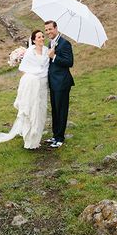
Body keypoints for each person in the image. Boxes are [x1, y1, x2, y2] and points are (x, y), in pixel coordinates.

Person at [0, 30, 49, 149]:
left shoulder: (46, 51)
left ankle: (37, 138)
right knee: (30, 111)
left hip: (43, 85)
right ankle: (29, 141)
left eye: (42, 36)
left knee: (40, 111)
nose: (41, 38)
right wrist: (32, 78)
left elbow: (47, 66)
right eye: (39, 37)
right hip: (32, 85)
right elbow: (23, 68)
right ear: (34, 40)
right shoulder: (30, 52)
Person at [44, 20, 74, 149]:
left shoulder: (65, 43)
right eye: (46, 30)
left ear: (56, 28)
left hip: (62, 82)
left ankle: (60, 138)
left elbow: (69, 62)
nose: (48, 32)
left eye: (50, 29)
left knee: (61, 110)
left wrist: (54, 56)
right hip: (53, 82)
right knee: (55, 110)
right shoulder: (50, 43)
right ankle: (55, 135)